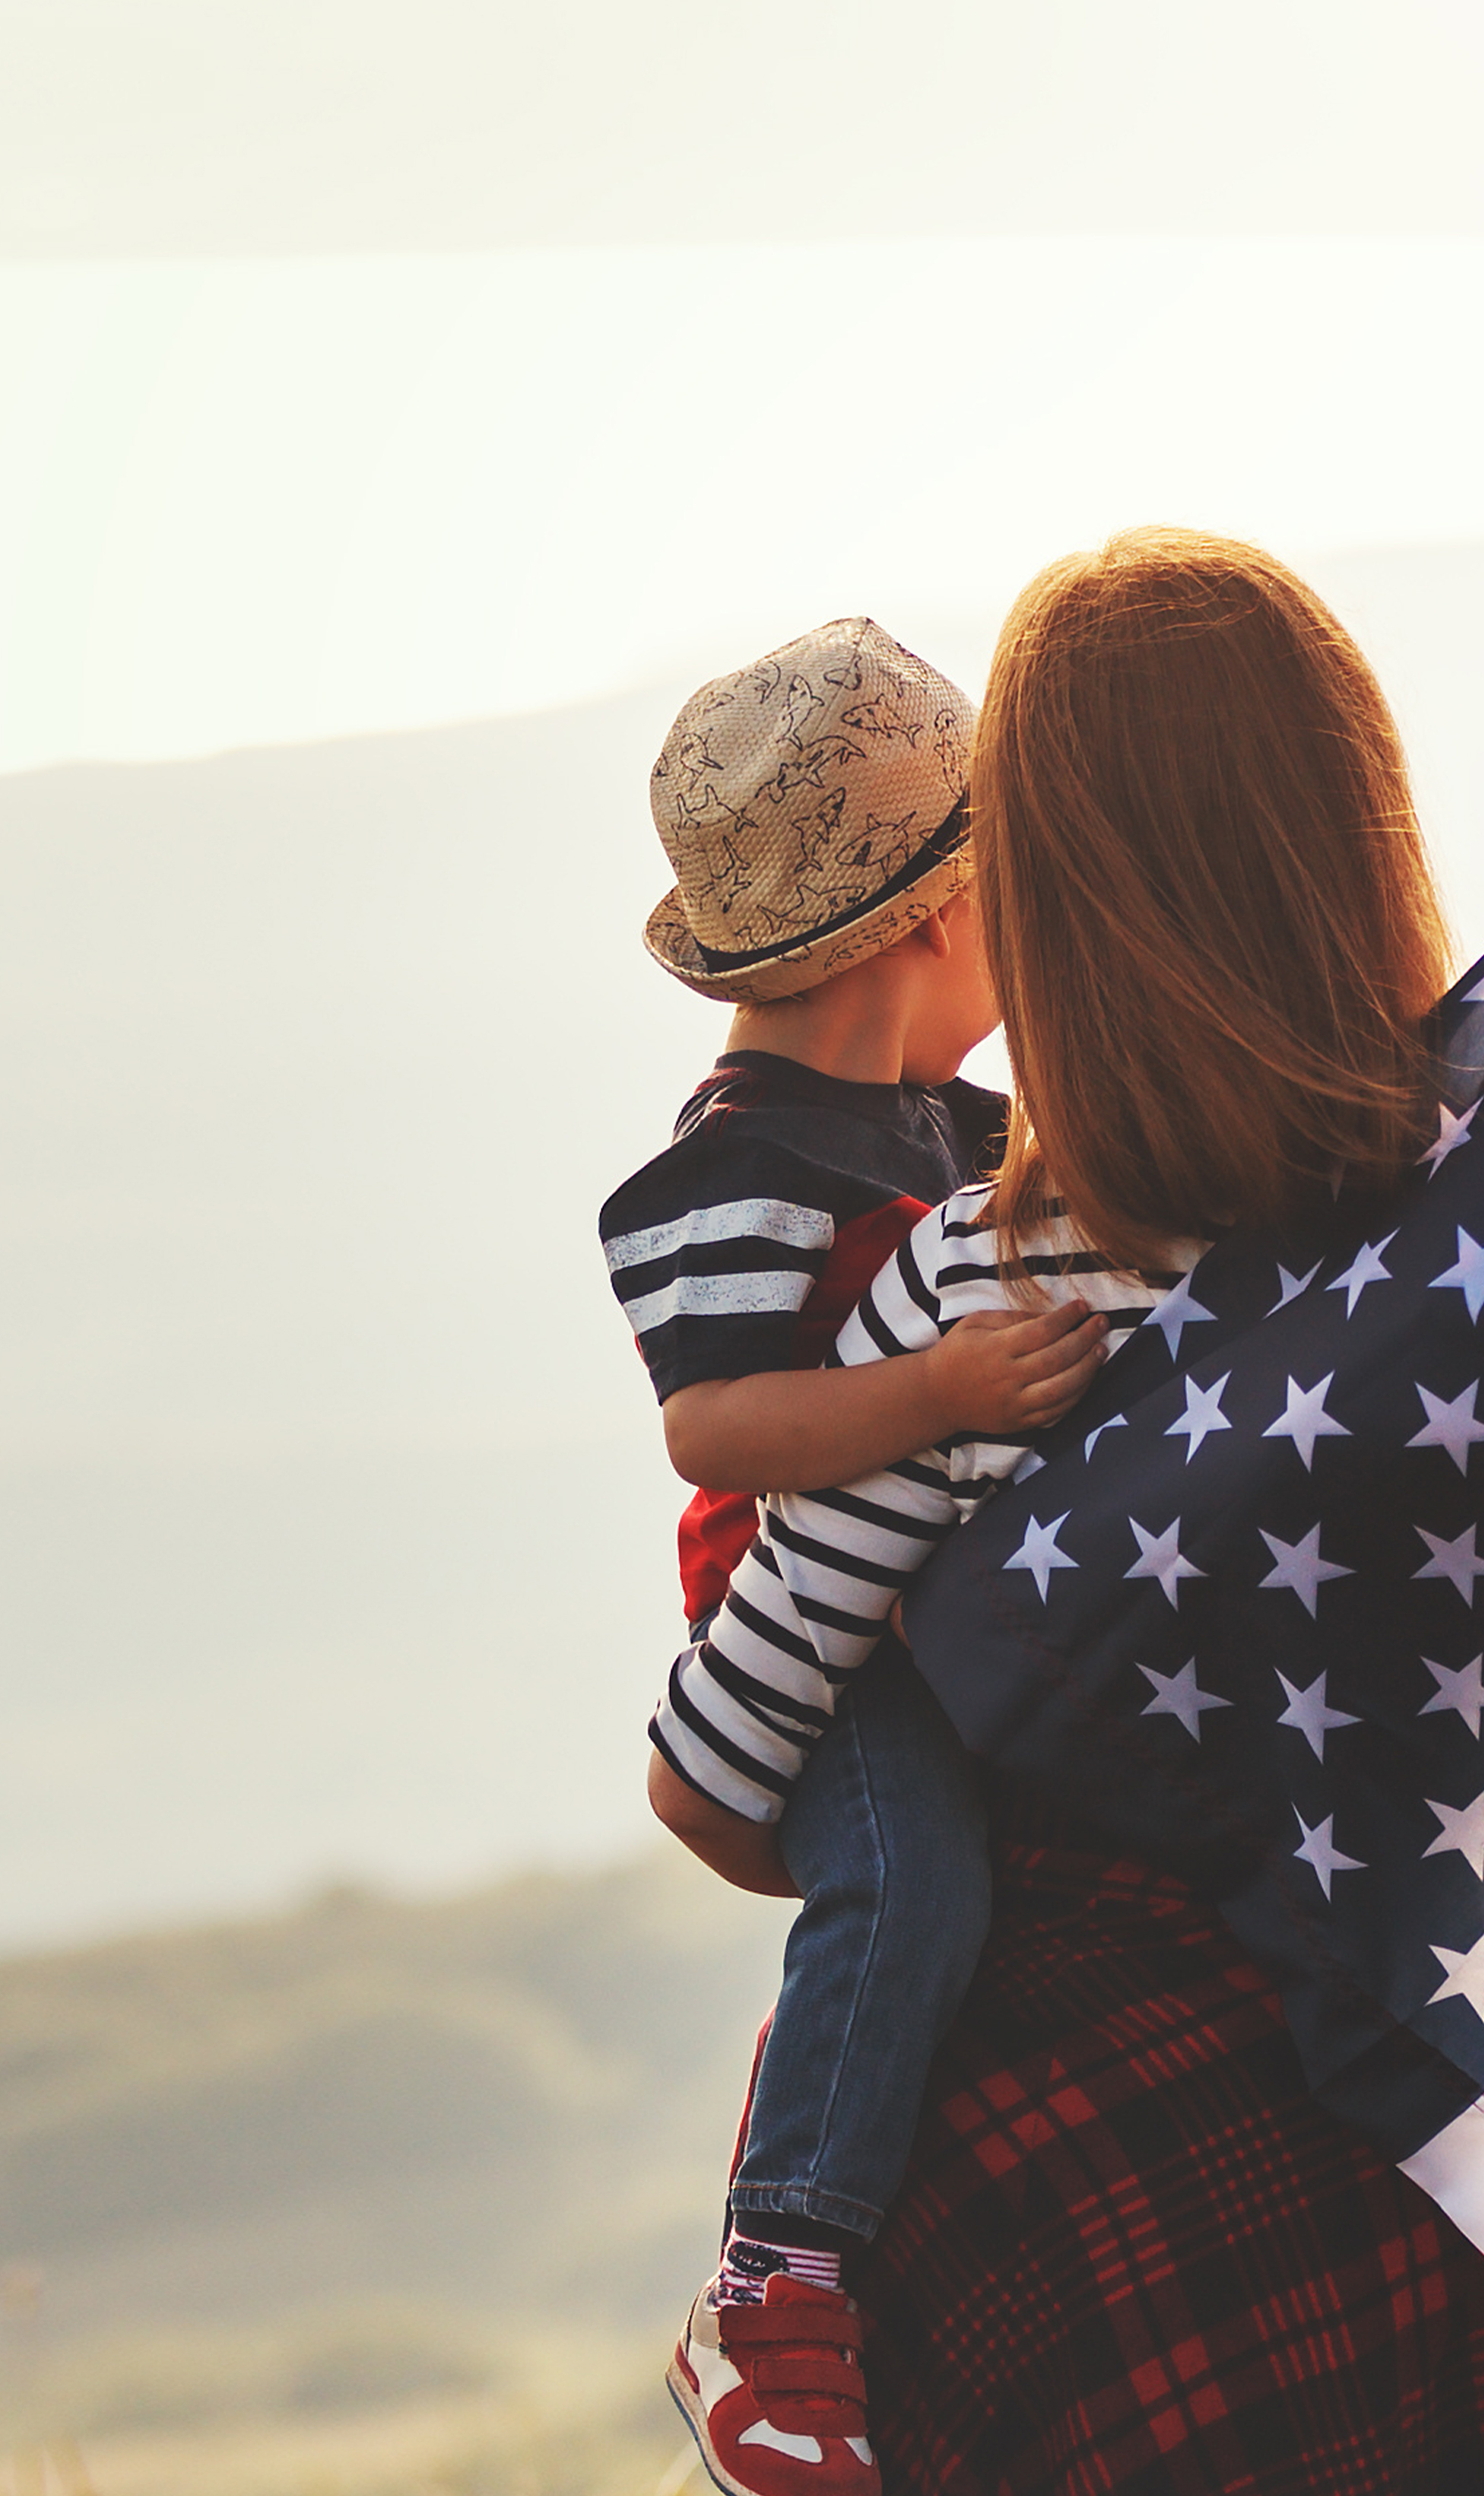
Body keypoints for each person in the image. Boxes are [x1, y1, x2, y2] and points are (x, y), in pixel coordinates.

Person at [801, 530, 1484, 2493]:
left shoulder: (943, 1308)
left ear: (1040, 896)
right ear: (1355, 830)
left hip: (1058, 2157)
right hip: (1441, 2137)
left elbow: (726, 1764)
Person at [598, 621, 1120, 2496]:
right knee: (907, 1884)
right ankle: (780, 2270)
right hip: (820, 1645)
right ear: (934, 924)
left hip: (946, 1598)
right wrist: (943, 1384)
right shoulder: (725, 1169)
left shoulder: (948, 1124)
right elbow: (718, 1430)